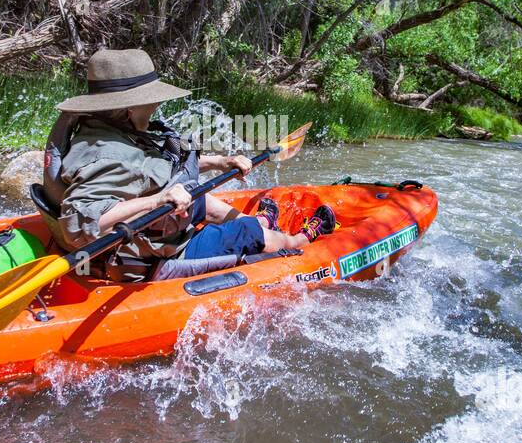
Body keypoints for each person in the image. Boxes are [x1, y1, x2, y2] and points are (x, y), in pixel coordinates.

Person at [41, 48, 336, 281]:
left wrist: (221, 162)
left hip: (145, 236)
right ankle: (297, 238)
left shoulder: (103, 129)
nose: (156, 105)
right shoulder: (108, 157)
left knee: (198, 197)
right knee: (247, 235)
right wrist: (158, 199)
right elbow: (77, 225)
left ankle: (260, 221)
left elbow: (155, 168)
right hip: (147, 259)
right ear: (127, 107)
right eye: (150, 100)